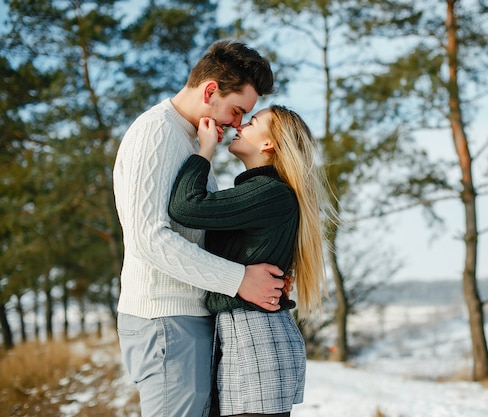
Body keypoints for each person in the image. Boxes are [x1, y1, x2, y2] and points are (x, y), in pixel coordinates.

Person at [113, 40, 287, 417]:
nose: (238, 123)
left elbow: (201, 230)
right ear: (211, 91)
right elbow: (149, 239)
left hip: (187, 317)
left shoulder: (191, 139)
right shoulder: (156, 133)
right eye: (237, 110)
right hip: (164, 318)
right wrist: (238, 279)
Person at [168, 105, 332, 417]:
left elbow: (186, 207)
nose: (239, 125)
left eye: (252, 121)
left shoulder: (268, 193)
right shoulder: (266, 193)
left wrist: (204, 150)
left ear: (268, 144)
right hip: (251, 337)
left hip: (254, 340)